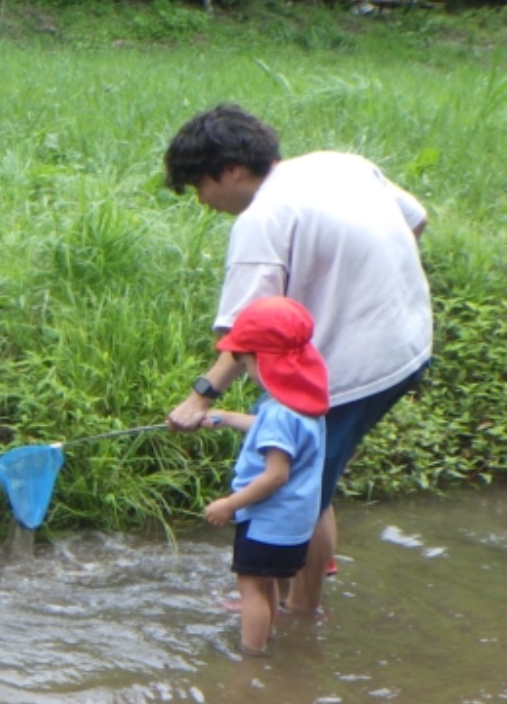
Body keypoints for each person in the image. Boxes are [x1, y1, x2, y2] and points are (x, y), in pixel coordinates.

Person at [162, 104, 432, 614]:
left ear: (232, 171)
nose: (202, 200)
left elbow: (244, 339)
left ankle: (300, 614)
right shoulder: (337, 164)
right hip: (410, 338)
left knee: (303, 493)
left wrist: (197, 400)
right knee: (314, 474)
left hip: (357, 368)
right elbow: (415, 222)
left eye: (200, 185)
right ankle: (292, 592)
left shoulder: (261, 219)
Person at [199, 298, 329, 656]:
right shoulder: (305, 404)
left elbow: (275, 476)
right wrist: (223, 417)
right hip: (293, 524)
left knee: (251, 588)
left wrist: (229, 504)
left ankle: (251, 657)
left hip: (266, 522)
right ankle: (266, 638)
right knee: (265, 581)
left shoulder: (278, 414)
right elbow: (270, 431)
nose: (244, 370)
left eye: (244, 362)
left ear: (265, 362)